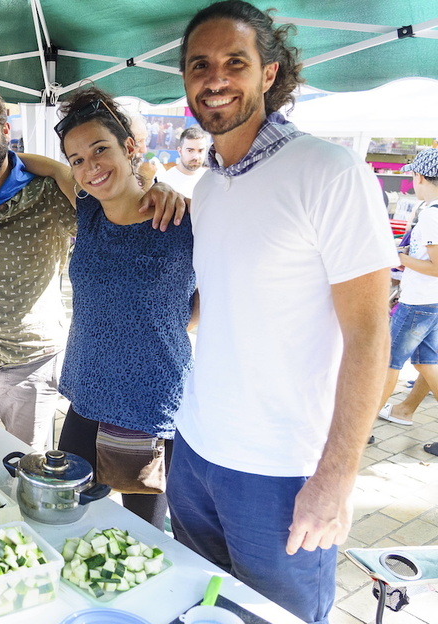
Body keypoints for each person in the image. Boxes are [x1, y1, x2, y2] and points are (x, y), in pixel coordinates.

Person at [165, 3, 396, 623]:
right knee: (197, 610)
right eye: (200, 65)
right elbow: (217, 302)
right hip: (193, 450)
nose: (215, 78)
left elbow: (372, 336)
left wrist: (337, 479)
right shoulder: (208, 185)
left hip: (281, 473)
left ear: (269, 73)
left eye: (234, 62)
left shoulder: (330, 172)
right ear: (186, 81)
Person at [0, 86, 183, 451]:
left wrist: (157, 188)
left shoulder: (49, 193)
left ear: (5, 130)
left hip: (32, 366)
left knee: (24, 476)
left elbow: (113, 202)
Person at [52, 87, 195, 530]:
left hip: (150, 403)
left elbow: (215, 299)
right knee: (65, 516)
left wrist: (166, 321)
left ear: (130, 147)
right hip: (86, 392)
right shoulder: (88, 212)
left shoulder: (182, 220)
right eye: (77, 159)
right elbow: (37, 164)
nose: (89, 167)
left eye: (100, 149)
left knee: (146, 538)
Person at [377, 149, 438, 431]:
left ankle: (361, 428)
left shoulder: (431, 215)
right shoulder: (431, 211)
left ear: (421, 177)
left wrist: (397, 257)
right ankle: (399, 413)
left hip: (418, 302)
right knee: (428, 364)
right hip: (430, 302)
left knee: (388, 364)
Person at [160, 126, 209, 197]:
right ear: (180, 151)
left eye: (200, 151)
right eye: (190, 151)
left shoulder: (211, 180)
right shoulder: (163, 181)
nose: (196, 156)